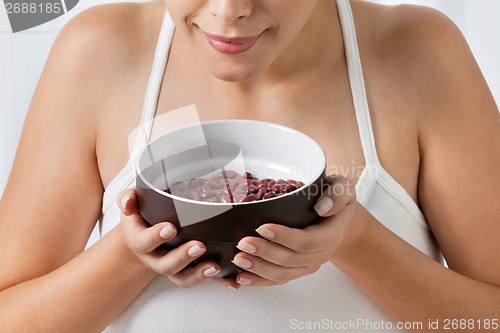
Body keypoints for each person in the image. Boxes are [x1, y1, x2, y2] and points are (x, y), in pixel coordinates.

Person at [0, 0, 498, 332]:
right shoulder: (99, 51)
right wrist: (130, 256)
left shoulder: (417, 51)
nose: (229, 11)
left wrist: (358, 245)